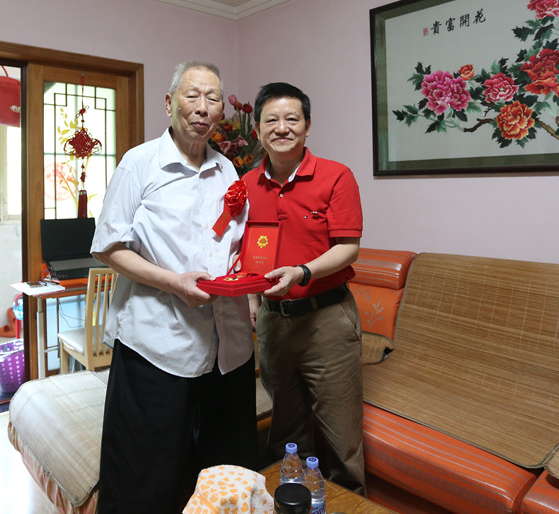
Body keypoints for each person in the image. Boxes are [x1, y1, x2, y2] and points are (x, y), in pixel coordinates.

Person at [91, 61, 257, 513]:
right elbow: (108, 246)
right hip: (158, 344)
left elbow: (236, 246)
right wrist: (174, 282)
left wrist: (249, 280)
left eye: (213, 98)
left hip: (228, 349)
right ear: (169, 104)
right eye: (192, 95)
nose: (203, 108)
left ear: (221, 110)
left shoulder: (228, 171)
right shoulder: (139, 163)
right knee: (148, 474)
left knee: (226, 473)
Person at [244, 82, 366, 494]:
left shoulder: (336, 176)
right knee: (286, 432)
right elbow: (247, 250)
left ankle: (351, 503)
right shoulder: (246, 183)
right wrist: (251, 300)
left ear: (307, 126)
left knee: (341, 439)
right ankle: (293, 502)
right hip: (273, 321)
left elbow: (348, 248)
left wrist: (301, 271)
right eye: (271, 120)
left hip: (326, 318)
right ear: (258, 130)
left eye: (292, 119)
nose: (282, 128)